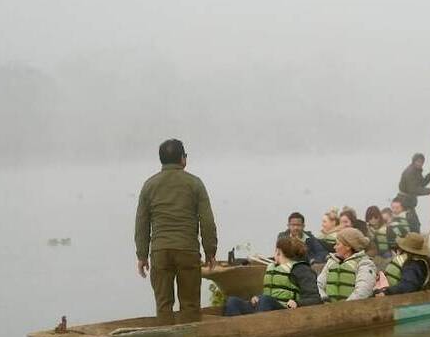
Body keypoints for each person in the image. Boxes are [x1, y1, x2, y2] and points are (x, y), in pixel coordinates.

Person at [135, 139, 217, 324]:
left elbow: (141, 223)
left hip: (160, 251)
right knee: (190, 305)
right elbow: (207, 221)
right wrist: (210, 251)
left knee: (163, 305)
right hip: (187, 250)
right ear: (182, 159)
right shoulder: (195, 184)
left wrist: (142, 255)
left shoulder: (149, 185)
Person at [223, 237, 322, 315]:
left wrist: (297, 303)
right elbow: (274, 292)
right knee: (233, 301)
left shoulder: (301, 270)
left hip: (286, 312)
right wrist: (257, 298)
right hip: (266, 309)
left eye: (275, 251)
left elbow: (315, 299)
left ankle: (259, 332)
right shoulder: (274, 267)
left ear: (278, 252)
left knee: (265, 300)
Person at [317, 228, 377, 302]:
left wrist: (346, 306)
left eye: (337, 244)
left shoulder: (364, 263)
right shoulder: (331, 262)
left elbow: (364, 289)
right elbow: (319, 284)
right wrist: (324, 300)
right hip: (327, 308)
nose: (334, 247)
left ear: (348, 246)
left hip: (353, 310)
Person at [397, 152, 430, 233]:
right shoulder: (410, 172)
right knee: (414, 225)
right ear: (413, 161)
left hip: (409, 203)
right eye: (418, 162)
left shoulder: (416, 171)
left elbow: (422, 183)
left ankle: (414, 238)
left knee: (414, 224)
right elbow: (414, 190)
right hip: (404, 203)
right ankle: (412, 240)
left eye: (422, 162)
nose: (420, 164)